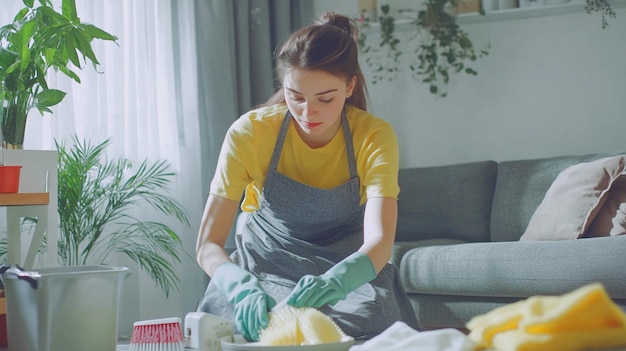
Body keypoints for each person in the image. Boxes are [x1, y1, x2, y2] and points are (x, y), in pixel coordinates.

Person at [195, 12, 420, 342]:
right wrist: (240, 287)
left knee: (370, 322)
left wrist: (334, 283)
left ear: (350, 86)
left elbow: (380, 244)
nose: (307, 112)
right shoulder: (250, 133)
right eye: (295, 97)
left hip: (347, 270)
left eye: (325, 99)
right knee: (223, 326)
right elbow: (207, 244)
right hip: (264, 266)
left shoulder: (374, 136)